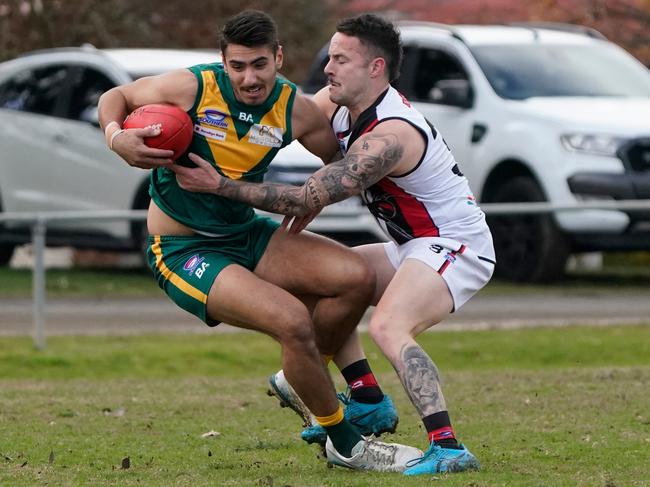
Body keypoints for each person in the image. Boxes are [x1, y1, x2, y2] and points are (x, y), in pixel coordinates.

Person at [97, 10, 422, 472]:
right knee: (293, 322)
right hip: (183, 249)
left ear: (279, 58)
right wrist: (117, 138)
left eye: (260, 65)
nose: (250, 77)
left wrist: (320, 191)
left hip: (246, 233)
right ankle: (345, 442)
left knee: (355, 277)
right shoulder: (192, 88)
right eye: (238, 66)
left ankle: (305, 380)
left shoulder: (293, 108)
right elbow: (117, 96)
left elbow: (339, 157)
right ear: (223, 63)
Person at [172, 13, 496, 476]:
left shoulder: (392, 133)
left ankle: (448, 446)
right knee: (339, 280)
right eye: (329, 56)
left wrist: (220, 185)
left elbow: (306, 196)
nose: (328, 67)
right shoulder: (339, 104)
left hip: (456, 245)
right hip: (413, 244)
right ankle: (365, 397)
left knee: (388, 326)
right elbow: (278, 122)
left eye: (341, 59)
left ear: (375, 68)